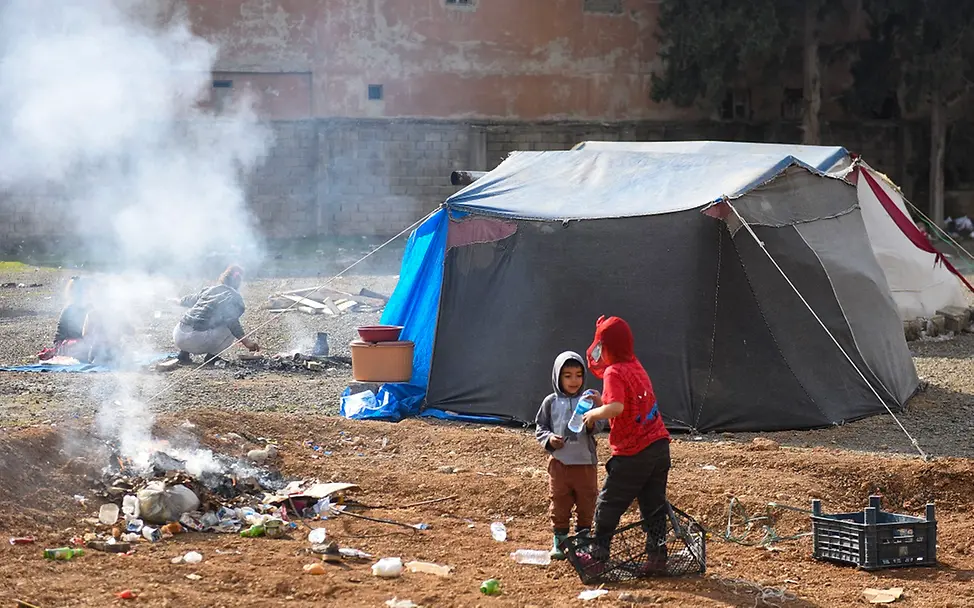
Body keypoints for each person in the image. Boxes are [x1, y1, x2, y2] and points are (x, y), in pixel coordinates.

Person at [580, 316, 671, 572]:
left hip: (634, 453)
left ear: (607, 347)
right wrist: (602, 401)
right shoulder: (634, 364)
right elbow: (625, 401)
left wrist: (593, 414)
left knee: (609, 503)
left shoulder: (613, 371)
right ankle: (657, 557)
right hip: (659, 446)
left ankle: (597, 556)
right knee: (653, 505)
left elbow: (617, 408)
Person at [535, 351, 605, 560]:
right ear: (558, 377)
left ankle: (583, 540)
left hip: (585, 464)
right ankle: (560, 541)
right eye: (567, 375)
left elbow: (601, 425)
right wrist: (549, 439)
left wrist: (591, 421)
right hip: (560, 464)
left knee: (587, 502)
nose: (574, 380)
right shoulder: (550, 402)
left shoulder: (589, 401)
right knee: (559, 502)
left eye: (578, 375)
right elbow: (540, 426)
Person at [172, 265, 259, 364]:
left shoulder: (209, 290)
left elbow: (189, 300)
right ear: (238, 282)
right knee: (229, 327)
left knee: (194, 314)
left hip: (178, 335)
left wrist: (175, 301)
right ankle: (211, 357)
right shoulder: (233, 297)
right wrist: (246, 342)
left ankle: (183, 354)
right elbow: (232, 321)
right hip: (196, 341)